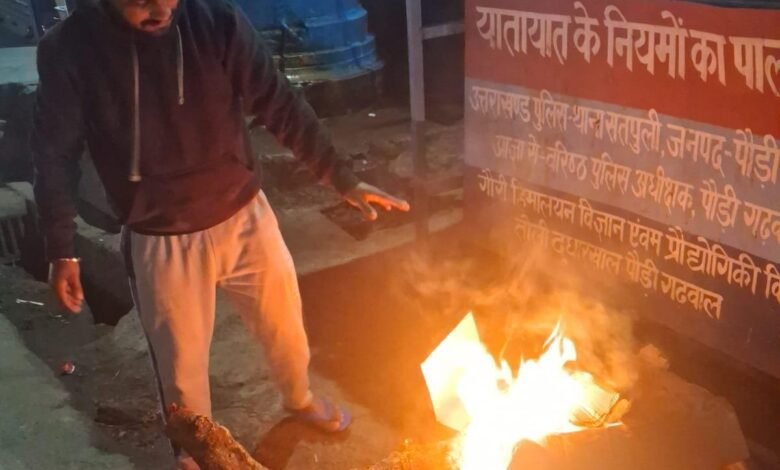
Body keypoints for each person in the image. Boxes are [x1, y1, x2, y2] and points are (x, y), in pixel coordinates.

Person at [31, 0, 409, 467]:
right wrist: (61, 249)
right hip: (161, 237)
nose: (160, 10)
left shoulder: (216, 20)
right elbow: (54, 154)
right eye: (142, 1)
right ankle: (193, 456)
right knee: (182, 372)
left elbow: (278, 101)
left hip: (244, 215)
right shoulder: (71, 49)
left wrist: (343, 179)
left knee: (286, 329)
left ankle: (299, 398)